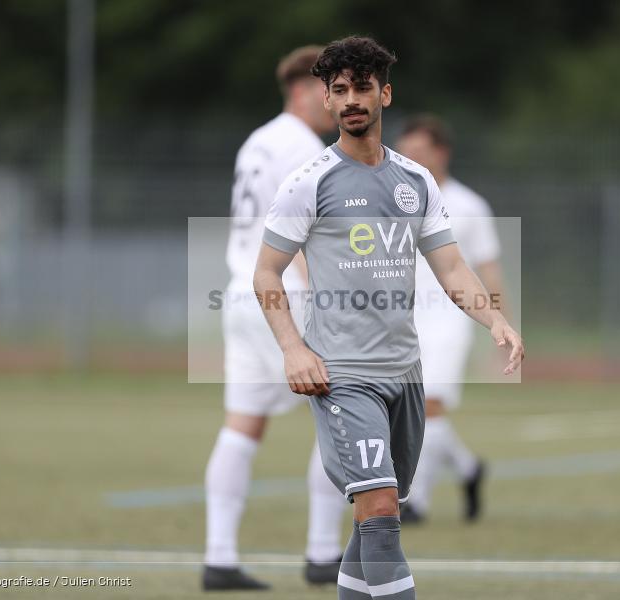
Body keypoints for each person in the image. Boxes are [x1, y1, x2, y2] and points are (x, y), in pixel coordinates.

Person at [254, 36, 524, 599]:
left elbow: (452, 267)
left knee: (378, 513)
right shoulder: (308, 182)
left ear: (385, 94)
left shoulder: (416, 181)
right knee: (378, 506)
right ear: (327, 100)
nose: (352, 99)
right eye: (340, 90)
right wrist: (294, 349)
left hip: (405, 373)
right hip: (342, 374)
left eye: (363, 87)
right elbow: (267, 274)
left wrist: (495, 320)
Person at [203, 45, 346, 591]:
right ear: (306, 90)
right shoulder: (302, 148)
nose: (337, 102)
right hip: (286, 295)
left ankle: (219, 558)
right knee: (339, 414)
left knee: (242, 426)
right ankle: (322, 552)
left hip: (243, 290)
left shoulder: (257, 140)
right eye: (330, 90)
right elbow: (301, 233)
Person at [395, 115, 505, 524]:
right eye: (406, 152)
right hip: (402, 319)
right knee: (407, 410)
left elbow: (489, 270)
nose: (412, 159)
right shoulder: (392, 198)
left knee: (430, 405)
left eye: (420, 151)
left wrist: (500, 325)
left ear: (442, 153)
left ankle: (415, 501)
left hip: (449, 321)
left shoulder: (469, 206)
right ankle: (468, 468)